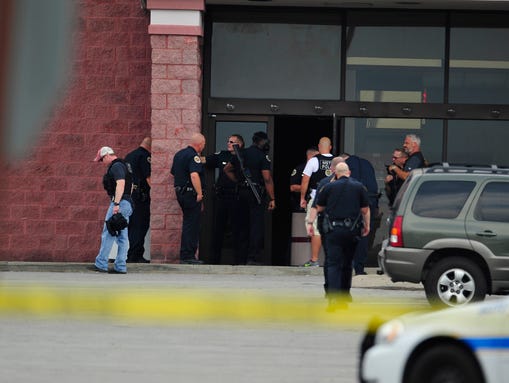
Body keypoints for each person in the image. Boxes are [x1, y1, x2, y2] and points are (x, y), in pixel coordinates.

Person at [315, 162, 370, 311]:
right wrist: (367, 225)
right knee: (347, 264)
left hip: (333, 231)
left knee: (333, 264)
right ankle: (344, 297)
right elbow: (365, 210)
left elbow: (319, 207)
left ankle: (333, 298)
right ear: (349, 172)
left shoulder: (329, 187)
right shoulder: (359, 187)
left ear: (336, 173)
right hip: (352, 230)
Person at [224, 131, 276, 265]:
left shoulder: (241, 153)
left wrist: (238, 181)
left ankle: (239, 258)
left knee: (241, 225)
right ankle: (252, 258)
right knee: (255, 226)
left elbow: (227, 169)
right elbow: (267, 178)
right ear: (261, 142)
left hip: (241, 193)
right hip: (255, 194)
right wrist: (272, 198)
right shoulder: (262, 157)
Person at [203, 134, 245, 264]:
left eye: (232, 142)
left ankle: (238, 261)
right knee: (218, 230)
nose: (228, 143)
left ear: (240, 144)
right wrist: (190, 157)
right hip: (221, 197)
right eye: (228, 141)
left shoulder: (243, 156)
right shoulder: (222, 155)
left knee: (237, 230)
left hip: (236, 197)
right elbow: (204, 160)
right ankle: (214, 260)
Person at [91, 146, 134, 274]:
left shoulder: (116, 166)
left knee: (109, 231)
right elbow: (131, 186)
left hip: (120, 203)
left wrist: (116, 203)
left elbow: (121, 183)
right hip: (127, 203)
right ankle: (120, 266)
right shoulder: (125, 165)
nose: (101, 163)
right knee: (122, 236)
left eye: (101, 160)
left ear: (106, 156)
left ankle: (101, 263)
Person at [306, 156, 345, 295]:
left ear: (332, 169)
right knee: (343, 260)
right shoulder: (355, 184)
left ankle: (331, 289)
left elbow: (317, 206)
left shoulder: (324, 183)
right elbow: (364, 209)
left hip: (329, 226)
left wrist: (311, 222)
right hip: (347, 227)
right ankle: (343, 291)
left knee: (331, 260)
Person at [341, 153, 380, 275]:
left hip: (353, 203)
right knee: (364, 234)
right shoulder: (367, 164)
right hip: (370, 202)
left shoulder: (345, 165)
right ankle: (359, 268)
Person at [170, 133, 206, 265]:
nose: (203, 146)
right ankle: (187, 255)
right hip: (190, 194)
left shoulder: (179, 154)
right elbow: (194, 175)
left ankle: (186, 254)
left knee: (188, 223)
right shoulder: (193, 156)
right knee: (192, 225)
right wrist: (199, 193)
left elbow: (174, 172)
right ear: (200, 144)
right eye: (204, 144)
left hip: (181, 193)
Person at [299, 137, 333, 267]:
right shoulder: (336, 161)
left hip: (317, 199)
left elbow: (305, 181)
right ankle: (332, 260)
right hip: (333, 199)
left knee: (316, 230)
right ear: (330, 147)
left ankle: (314, 260)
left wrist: (302, 198)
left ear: (319, 147)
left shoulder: (314, 161)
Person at [124, 137, 151, 263]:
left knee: (132, 225)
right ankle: (135, 255)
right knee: (140, 225)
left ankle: (132, 253)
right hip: (141, 196)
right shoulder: (145, 156)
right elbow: (148, 178)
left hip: (129, 195)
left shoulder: (130, 155)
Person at [289, 147, 319, 212]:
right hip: (300, 205)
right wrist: (308, 189)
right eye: (318, 157)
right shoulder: (300, 169)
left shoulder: (318, 170)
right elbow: (292, 187)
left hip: (315, 203)